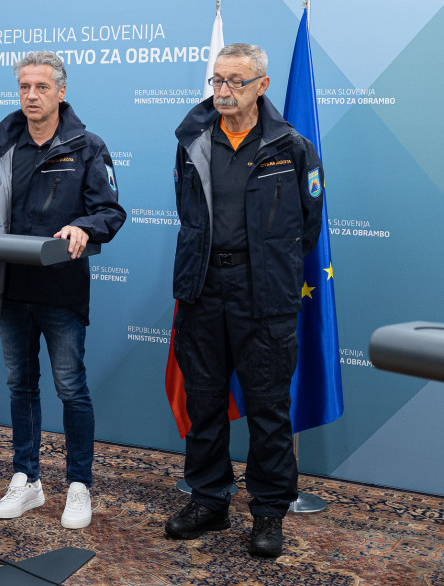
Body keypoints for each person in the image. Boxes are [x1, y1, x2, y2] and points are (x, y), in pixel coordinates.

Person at [0, 51, 125, 528]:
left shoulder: (86, 146)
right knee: (21, 386)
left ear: (61, 91)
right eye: (24, 87)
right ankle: (28, 478)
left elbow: (110, 212)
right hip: (10, 290)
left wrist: (84, 225)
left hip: (60, 292)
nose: (32, 96)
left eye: (41, 87)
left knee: (70, 388)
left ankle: (79, 484)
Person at [165, 43, 324, 557]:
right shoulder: (192, 141)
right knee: (204, 401)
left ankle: (269, 512)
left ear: (262, 85)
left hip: (265, 295)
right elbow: (188, 214)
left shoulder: (292, 146)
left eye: (235, 81)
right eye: (217, 81)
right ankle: (208, 500)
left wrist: (269, 268)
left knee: (268, 408)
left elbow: (309, 223)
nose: (224, 91)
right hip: (203, 290)